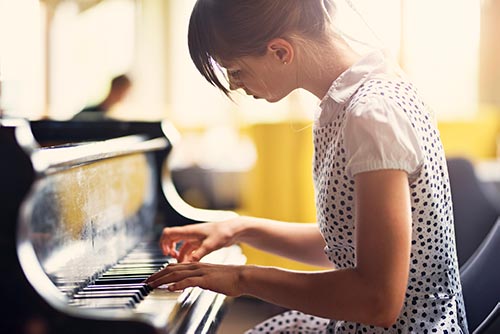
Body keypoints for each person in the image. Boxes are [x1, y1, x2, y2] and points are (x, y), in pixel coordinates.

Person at [145, 1, 469, 333]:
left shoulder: (372, 114)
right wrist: (240, 229)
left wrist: (241, 278)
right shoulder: (349, 103)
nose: (235, 85)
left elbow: (378, 300)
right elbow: (345, 247)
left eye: (236, 70)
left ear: (281, 52)